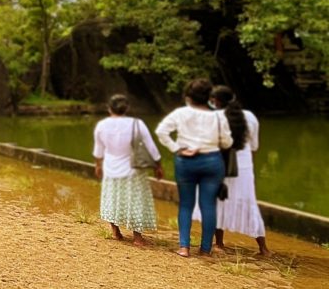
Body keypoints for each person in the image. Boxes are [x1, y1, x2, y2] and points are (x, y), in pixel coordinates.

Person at [156, 78, 232, 257]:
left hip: (186, 161)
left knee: (186, 205)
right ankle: (205, 249)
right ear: (209, 97)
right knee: (209, 206)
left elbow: (161, 131)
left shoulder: (181, 113)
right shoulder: (219, 116)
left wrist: (176, 148)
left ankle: (184, 247)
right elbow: (227, 141)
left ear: (189, 96)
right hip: (212, 161)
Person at [193, 86, 270, 256]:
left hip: (218, 164)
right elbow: (254, 146)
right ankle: (263, 248)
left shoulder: (213, 118)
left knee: (218, 201)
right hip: (243, 166)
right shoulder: (249, 117)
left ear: (216, 101)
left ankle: (218, 243)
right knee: (248, 203)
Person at [93, 94, 163, 246]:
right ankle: (137, 237)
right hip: (133, 169)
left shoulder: (102, 125)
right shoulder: (137, 124)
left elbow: (99, 150)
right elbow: (151, 146)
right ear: (127, 108)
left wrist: (98, 165)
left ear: (109, 108)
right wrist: (158, 165)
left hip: (111, 167)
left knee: (112, 197)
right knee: (135, 199)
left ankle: (116, 232)